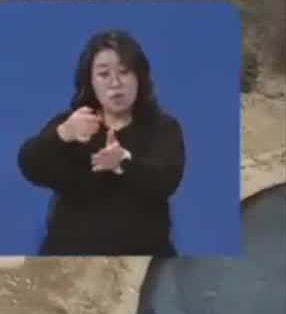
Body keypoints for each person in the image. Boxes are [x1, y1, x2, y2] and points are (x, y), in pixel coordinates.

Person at [17, 29, 186, 256]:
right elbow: (30, 166)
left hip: (142, 257)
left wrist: (122, 162)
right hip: (70, 258)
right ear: (90, 82)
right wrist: (62, 135)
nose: (115, 83)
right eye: (104, 74)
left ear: (140, 77)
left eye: (124, 72)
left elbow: (166, 180)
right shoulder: (73, 123)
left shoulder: (163, 127)